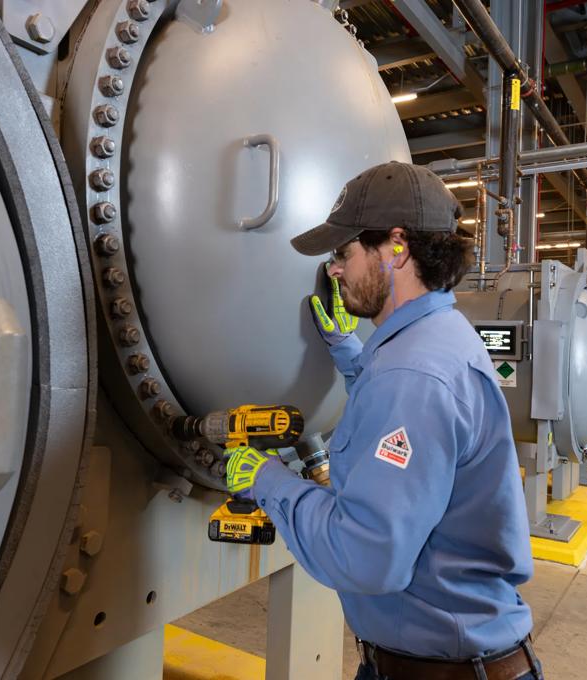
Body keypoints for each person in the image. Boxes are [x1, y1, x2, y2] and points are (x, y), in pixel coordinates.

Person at [224, 161, 542, 680]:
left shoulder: (412, 373)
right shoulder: (436, 336)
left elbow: (364, 557)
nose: (335, 271)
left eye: (344, 253)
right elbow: (400, 410)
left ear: (396, 247)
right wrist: (351, 353)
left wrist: (268, 481)